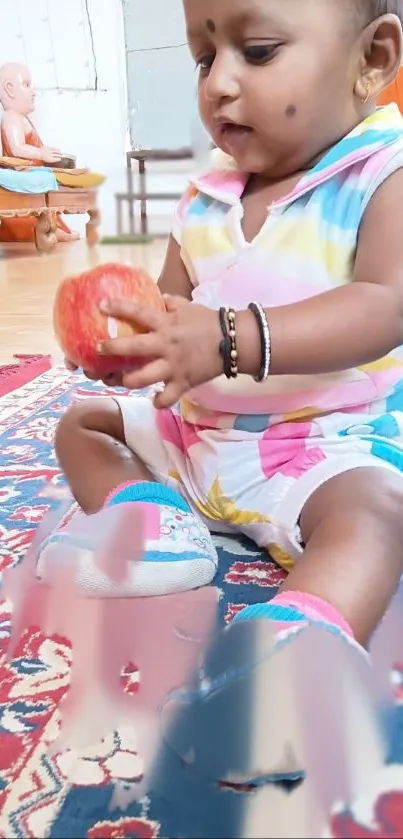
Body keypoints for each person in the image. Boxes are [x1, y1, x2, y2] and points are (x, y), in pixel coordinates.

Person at [42, 0, 403, 658]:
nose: (218, 84)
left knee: (378, 509)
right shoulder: (205, 195)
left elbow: (385, 302)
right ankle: (155, 519)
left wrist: (229, 338)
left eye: (257, 50)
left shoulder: (379, 176)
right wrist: (138, 350)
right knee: (81, 423)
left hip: (316, 446)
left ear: (371, 59)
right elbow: (172, 313)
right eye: (204, 58)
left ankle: (296, 646)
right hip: (197, 438)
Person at [0, 62, 79, 243]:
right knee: (46, 183)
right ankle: (40, 228)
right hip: (21, 175)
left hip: (31, 173)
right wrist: (40, 154)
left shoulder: (20, 118)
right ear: (10, 89)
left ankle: (53, 224)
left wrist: (47, 155)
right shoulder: (11, 118)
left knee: (52, 181)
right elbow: (16, 148)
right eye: (26, 85)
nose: (33, 91)